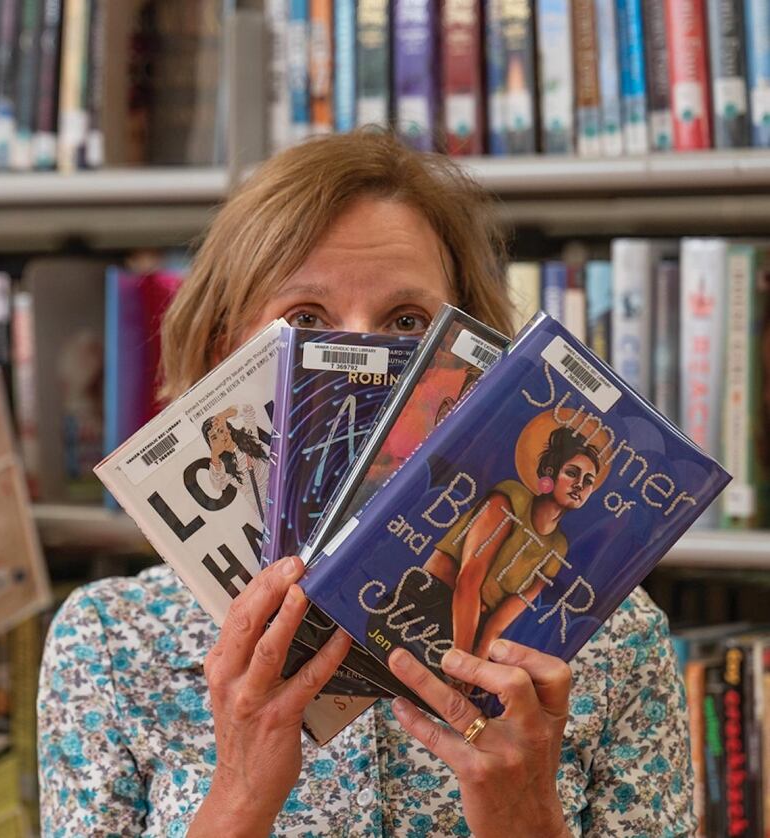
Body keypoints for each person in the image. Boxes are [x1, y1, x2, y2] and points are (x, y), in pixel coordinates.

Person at [37, 131, 694, 837]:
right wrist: (238, 794)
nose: (362, 360)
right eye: (306, 319)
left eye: (407, 322)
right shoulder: (109, 643)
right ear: (228, 349)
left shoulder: (613, 642)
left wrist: (526, 818)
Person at [423, 424, 602, 660]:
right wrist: (464, 661)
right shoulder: (511, 498)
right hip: (430, 599)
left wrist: (478, 659)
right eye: (572, 473)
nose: (580, 484)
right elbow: (468, 579)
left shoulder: (558, 546)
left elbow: (503, 617)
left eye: (588, 480)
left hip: (472, 629)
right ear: (550, 471)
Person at [202, 405, 270, 522]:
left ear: (228, 429)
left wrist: (224, 414)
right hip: (268, 511)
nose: (221, 437)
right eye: (214, 437)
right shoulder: (222, 467)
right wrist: (214, 456)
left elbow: (248, 410)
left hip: (284, 487)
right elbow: (217, 485)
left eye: (221, 430)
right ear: (210, 444)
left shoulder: (248, 437)